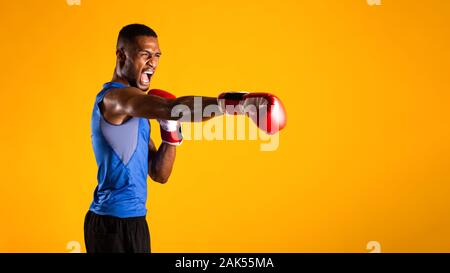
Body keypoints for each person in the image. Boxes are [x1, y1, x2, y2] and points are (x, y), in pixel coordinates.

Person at [84, 23, 286, 253]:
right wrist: (238, 104)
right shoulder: (115, 98)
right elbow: (172, 107)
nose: (153, 63)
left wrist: (170, 133)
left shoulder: (137, 110)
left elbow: (160, 174)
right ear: (121, 55)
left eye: (157, 55)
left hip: (134, 221)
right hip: (110, 224)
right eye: (145, 55)